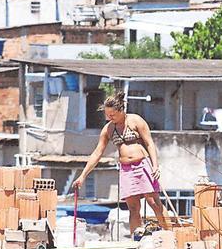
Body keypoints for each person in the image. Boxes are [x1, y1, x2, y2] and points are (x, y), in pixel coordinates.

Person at [72, 92, 169, 234]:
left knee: (154, 202)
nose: (109, 117)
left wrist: (155, 165)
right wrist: (83, 175)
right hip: (126, 169)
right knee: (133, 208)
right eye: (107, 115)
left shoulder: (136, 120)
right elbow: (97, 153)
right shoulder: (109, 129)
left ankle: (169, 234)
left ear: (121, 110)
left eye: (112, 114)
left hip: (143, 165)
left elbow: (149, 143)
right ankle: (137, 240)